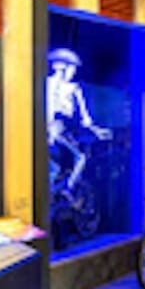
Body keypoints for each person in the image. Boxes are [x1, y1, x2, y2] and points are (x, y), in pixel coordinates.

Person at [46, 48, 111, 192]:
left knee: (71, 161)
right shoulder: (47, 85)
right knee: (62, 164)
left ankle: (63, 191)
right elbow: (48, 108)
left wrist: (97, 131)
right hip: (52, 131)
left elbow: (85, 118)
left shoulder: (74, 89)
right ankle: (63, 191)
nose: (73, 72)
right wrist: (49, 131)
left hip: (63, 131)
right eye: (71, 68)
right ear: (59, 66)